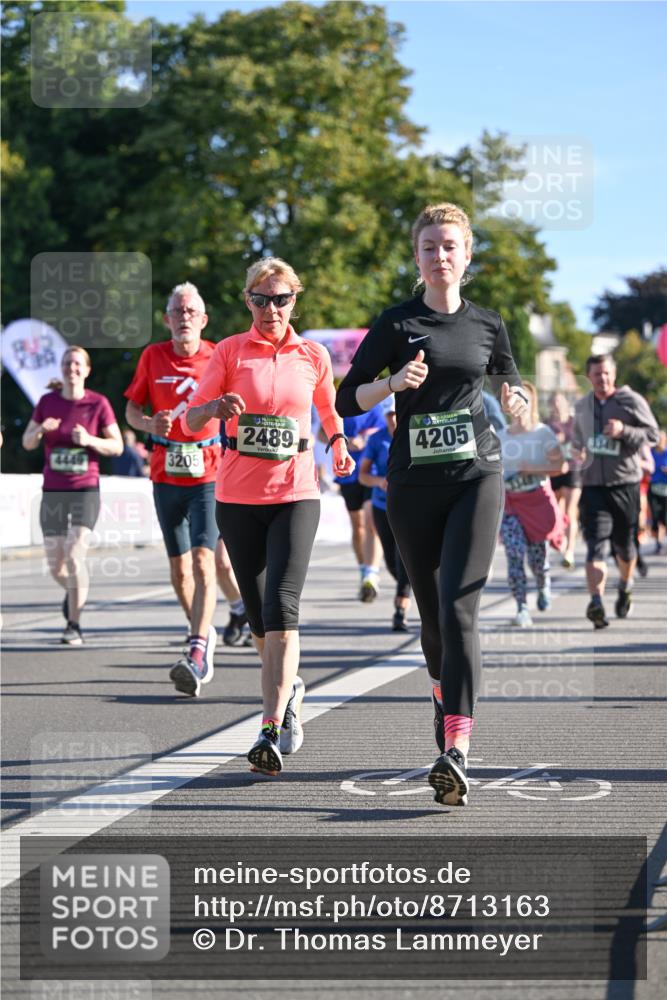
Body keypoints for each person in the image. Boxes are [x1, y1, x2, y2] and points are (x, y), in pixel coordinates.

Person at [336, 202, 528, 807]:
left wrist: (519, 399)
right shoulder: (396, 325)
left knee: (459, 607)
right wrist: (391, 385)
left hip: (477, 475)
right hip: (413, 485)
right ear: (416, 258)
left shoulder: (489, 324)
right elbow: (347, 400)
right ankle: (445, 705)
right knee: (431, 617)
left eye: (450, 246)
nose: (439, 256)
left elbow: (511, 380)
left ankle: (458, 749)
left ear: (466, 255)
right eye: (429, 247)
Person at [184, 257, 354, 774]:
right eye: (261, 300)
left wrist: (340, 442)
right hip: (237, 496)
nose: (271, 309)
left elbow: (327, 409)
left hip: (296, 493)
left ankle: (269, 729)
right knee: (259, 617)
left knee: (282, 607)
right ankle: (292, 687)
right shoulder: (230, 352)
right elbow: (190, 419)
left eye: (281, 300)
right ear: (247, 302)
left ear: (294, 301)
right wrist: (214, 411)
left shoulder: (313, 354)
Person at [124, 282, 221, 694]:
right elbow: (132, 409)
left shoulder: (219, 355)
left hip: (208, 474)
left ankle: (196, 651)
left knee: (204, 562)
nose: (184, 317)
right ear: (167, 319)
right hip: (166, 473)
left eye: (191, 311)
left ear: (202, 319)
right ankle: (203, 630)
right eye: (177, 311)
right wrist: (149, 424)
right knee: (180, 570)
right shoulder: (152, 356)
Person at [22, 345, 123, 644]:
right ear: (61, 369)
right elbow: (28, 442)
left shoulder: (98, 403)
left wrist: (90, 440)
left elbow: (116, 445)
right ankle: (74, 592)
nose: (72, 368)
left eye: (78, 363)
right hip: (53, 490)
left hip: (84, 489)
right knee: (56, 562)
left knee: (75, 552)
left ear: (87, 370)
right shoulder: (47, 402)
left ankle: (73, 625)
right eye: (67, 363)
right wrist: (41, 428)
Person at [573, 354, 659, 628]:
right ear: (589, 376)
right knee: (594, 547)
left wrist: (624, 431)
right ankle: (596, 603)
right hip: (592, 486)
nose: (603, 379)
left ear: (615, 373)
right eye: (598, 374)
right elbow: (576, 439)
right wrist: (576, 450)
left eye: (608, 373)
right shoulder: (582, 406)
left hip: (625, 484)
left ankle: (625, 584)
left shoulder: (630, 401)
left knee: (624, 546)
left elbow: (653, 435)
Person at [498, 382, 566, 627]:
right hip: (511, 504)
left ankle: (543, 581)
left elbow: (561, 466)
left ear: (531, 403)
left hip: (537, 500)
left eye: (522, 398)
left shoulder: (542, 433)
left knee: (537, 558)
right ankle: (521, 607)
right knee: (514, 555)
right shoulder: (501, 436)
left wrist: (531, 469)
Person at [358, 394, 412, 631]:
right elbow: (363, 475)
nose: (394, 419)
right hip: (382, 505)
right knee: (391, 560)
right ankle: (410, 590)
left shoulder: (414, 436)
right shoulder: (377, 439)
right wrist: (380, 481)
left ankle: (400, 608)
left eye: (397, 414)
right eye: (390, 415)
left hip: (410, 507)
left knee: (405, 558)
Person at [332, 403, 386, 601]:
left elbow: (388, 427)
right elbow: (323, 432)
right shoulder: (344, 401)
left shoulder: (380, 403)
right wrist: (343, 442)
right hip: (348, 472)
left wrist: (365, 438)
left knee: (371, 521)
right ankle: (364, 569)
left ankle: (372, 573)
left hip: (372, 472)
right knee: (359, 526)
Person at [547, 391, 582, 569]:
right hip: (553, 470)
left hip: (572, 468)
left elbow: (583, 442)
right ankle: (560, 537)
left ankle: (569, 550)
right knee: (554, 511)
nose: (557, 406)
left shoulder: (574, 422)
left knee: (570, 510)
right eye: (554, 402)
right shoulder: (547, 425)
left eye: (559, 402)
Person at [648, 429, 667, 553]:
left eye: (661, 438)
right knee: (655, 518)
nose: (659, 441)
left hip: (666, 490)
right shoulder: (650, 452)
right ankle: (658, 543)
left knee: (665, 518)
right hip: (653, 488)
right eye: (657, 438)